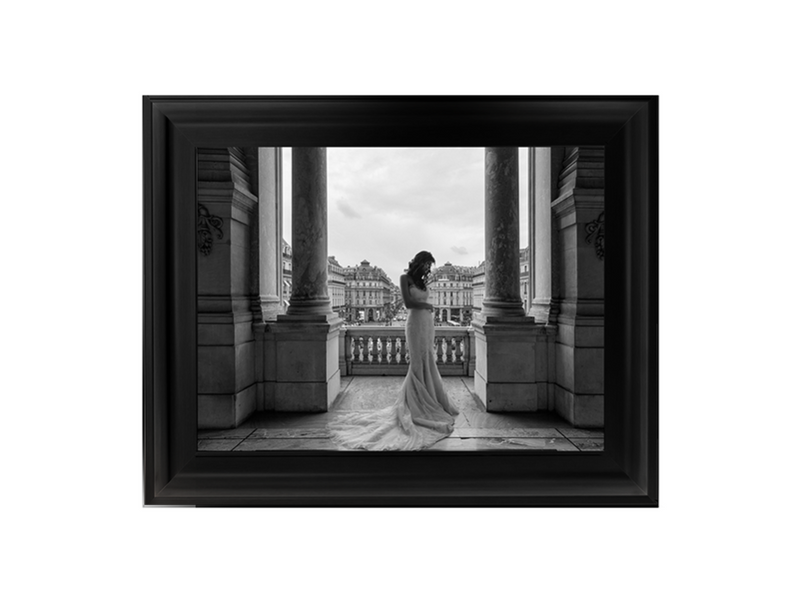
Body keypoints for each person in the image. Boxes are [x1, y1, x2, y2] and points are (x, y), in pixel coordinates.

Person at [329, 251, 460, 450]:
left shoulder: (423, 281)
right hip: (415, 322)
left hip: (427, 323)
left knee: (429, 360)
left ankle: (431, 398)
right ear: (419, 262)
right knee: (417, 362)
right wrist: (427, 305)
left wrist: (428, 308)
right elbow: (408, 303)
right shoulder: (404, 278)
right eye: (426, 265)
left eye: (429, 267)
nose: (428, 269)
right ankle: (414, 403)